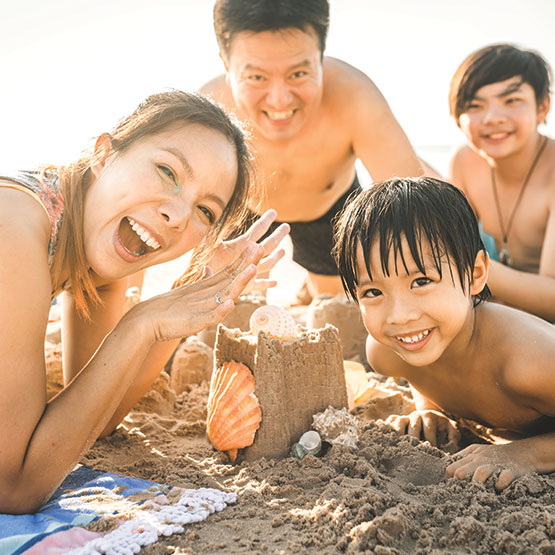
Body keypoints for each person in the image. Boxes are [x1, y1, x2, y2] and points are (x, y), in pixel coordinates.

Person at [0, 90, 289, 514]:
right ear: (104, 154)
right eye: (166, 171)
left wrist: (198, 287)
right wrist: (140, 323)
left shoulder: (101, 245)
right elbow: (14, 488)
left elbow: (100, 416)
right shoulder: (14, 230)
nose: (177, 215)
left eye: (205, 212)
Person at [333, 177, 555, 491]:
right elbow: (427, 374)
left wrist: (524, 454)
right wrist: (430, 410)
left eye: (421, 282)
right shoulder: (389, 354)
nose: (400, 316)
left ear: (475, 274)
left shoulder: (527, 361)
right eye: (372, 291)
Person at [201, 0, 427, 299]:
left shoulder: (355, 97)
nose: (279, 100)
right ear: (227, 65)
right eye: (257, 77)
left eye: (298, 74)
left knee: (335, 310)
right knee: (233, 311)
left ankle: (312, 290)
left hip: (330, 209)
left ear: (321, 58)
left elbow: (415, 209)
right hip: (243, 208)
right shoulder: (209, 111)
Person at [448, 43, 555, 321]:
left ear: (542, 106)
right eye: (475, 105)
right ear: (457, 117)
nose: (492, 118)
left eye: (511, 101)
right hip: (506, 308)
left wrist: (462, 261)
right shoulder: (464, 162)